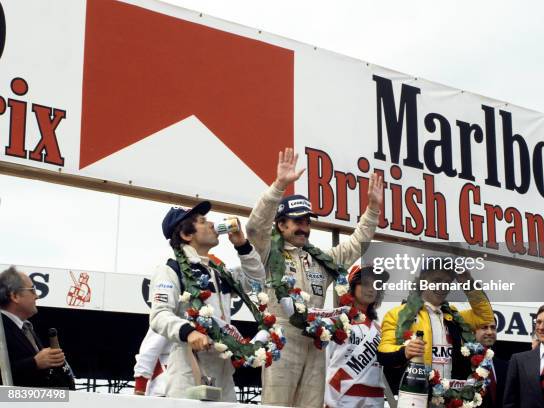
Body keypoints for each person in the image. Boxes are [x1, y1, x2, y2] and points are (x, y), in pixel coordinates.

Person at [246, 147, 383, 408]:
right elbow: (254, 227)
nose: (304, 227)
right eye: (297, 221)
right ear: (281, 225)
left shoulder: (321, 259)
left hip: (316, 343)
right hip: (282, 338)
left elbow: (356, 244)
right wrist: (278, 187)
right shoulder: (266, 252)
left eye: (307, 222)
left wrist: (373, 210)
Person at [149, 201, 265, 401]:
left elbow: (256, 281)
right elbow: (159, 315)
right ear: (187, 235)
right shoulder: (170, 269)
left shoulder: (219, 272)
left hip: (224, 370)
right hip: (188, 369)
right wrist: (188, 331)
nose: (212, 224)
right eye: (203, 221)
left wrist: (242, 244)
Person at [377, 260, 494, 394]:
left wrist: (468, 282)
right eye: (437, 281)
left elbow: (485, 317)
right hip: (415, 394)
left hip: (450, 398)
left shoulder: (455, 317)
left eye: (447, 283)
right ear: (422, 281)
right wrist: (404, 351)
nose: (442, 286)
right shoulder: (398, 314)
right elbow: (383, 354)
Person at [324, 266, 388, 408]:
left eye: (376, 285)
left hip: (375, 399)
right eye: (365, 284)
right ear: (352, 286)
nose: (371, 289)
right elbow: (323, 363)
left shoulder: (379, 330)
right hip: (341, 398)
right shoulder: (335, 322)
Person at [0, 266, 66, 387]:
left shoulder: (26, 328)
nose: (37, 296)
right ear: (15, 296)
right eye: (32, 290)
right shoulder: (2, 327)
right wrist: (35, 362)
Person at [475, 320, 508, 408]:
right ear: (473, 331)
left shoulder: (506, 366)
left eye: (493, 328)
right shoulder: (462, 363)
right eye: (484, 327)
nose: (490, 332)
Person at [133, 327, 172, 396]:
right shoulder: (165, 317)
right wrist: (140, 388)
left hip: (188, 384)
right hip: (163, 388)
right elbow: (149, 350)